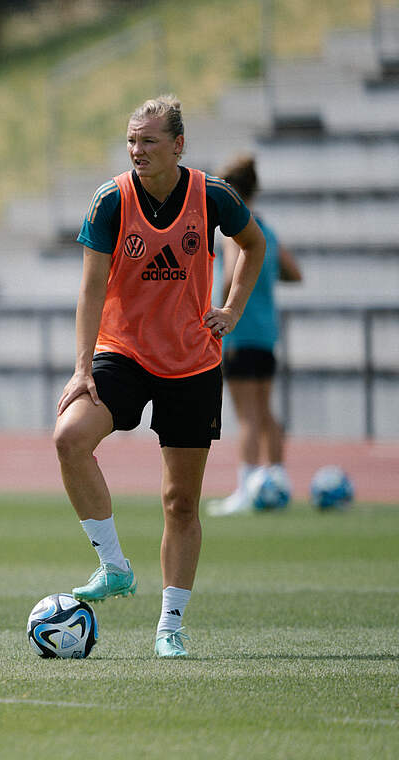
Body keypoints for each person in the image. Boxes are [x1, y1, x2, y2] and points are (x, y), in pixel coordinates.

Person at [53, 95, 266, 658]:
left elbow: (253, 244)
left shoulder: (213, 195)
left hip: (192, 363)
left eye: (148, 141)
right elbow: (90, 289)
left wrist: (232, 309)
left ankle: (170, 625)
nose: (137, 151)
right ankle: (114, 566)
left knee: (180, 501)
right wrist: (81, 368)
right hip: (121, 353)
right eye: (131, 140)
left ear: (178, 145)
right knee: (70, 437)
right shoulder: (110, 201)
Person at [206, 154, 303, 515]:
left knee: (246, 414)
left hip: (240, 330)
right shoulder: (268, 231)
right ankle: (277, 481)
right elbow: (294, 273)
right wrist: (263, 277)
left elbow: (232, 274)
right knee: (264, 411)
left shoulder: (237, 231)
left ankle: (247, 487)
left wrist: (220, 305)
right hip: (266, 333)